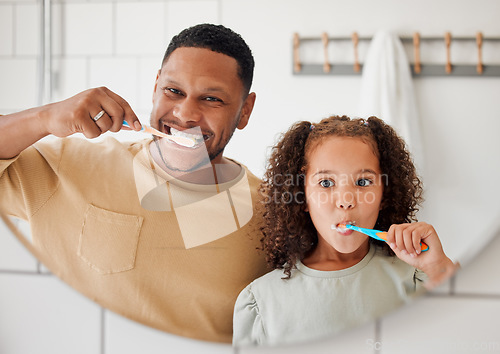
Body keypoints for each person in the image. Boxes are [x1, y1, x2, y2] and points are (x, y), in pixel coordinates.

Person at [0, 24, 269, 343]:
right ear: (156, 85)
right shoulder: (65, 167)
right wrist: (42, 118)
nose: (185, 114)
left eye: (211, 98)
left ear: (245, 110)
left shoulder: (273, 213)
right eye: (174, 91)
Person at [232, 115, 459, 346]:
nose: (346, 201)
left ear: (384, 195)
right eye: (326, 183)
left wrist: (437, 268)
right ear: (302, 196)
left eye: (362, 183)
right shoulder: (261, 303)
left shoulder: (416, 279)